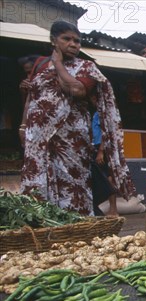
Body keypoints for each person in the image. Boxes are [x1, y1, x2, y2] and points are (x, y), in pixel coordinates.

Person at [19, 21, 135, 216]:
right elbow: (32, 96)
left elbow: (76, 90)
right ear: (53, 40)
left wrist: (57, 64)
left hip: (71, 139)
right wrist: (23, 126)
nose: (73, 44)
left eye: (77, 41)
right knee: (38, 182)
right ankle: (43, 223)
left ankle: (75, 225)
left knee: (73, 183)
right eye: (67, 39)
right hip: (39, 137)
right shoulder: (39, 64)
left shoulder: (85, 67)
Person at [90, 93, 118, 217]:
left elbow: (105, 133)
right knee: (105, 177)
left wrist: (101, 151)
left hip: (102, 147)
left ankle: (113, 209)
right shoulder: (97, 113)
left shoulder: (103, 114)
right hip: (96, 146)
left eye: (93, 98)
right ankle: (110, 209)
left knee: (108, 178)